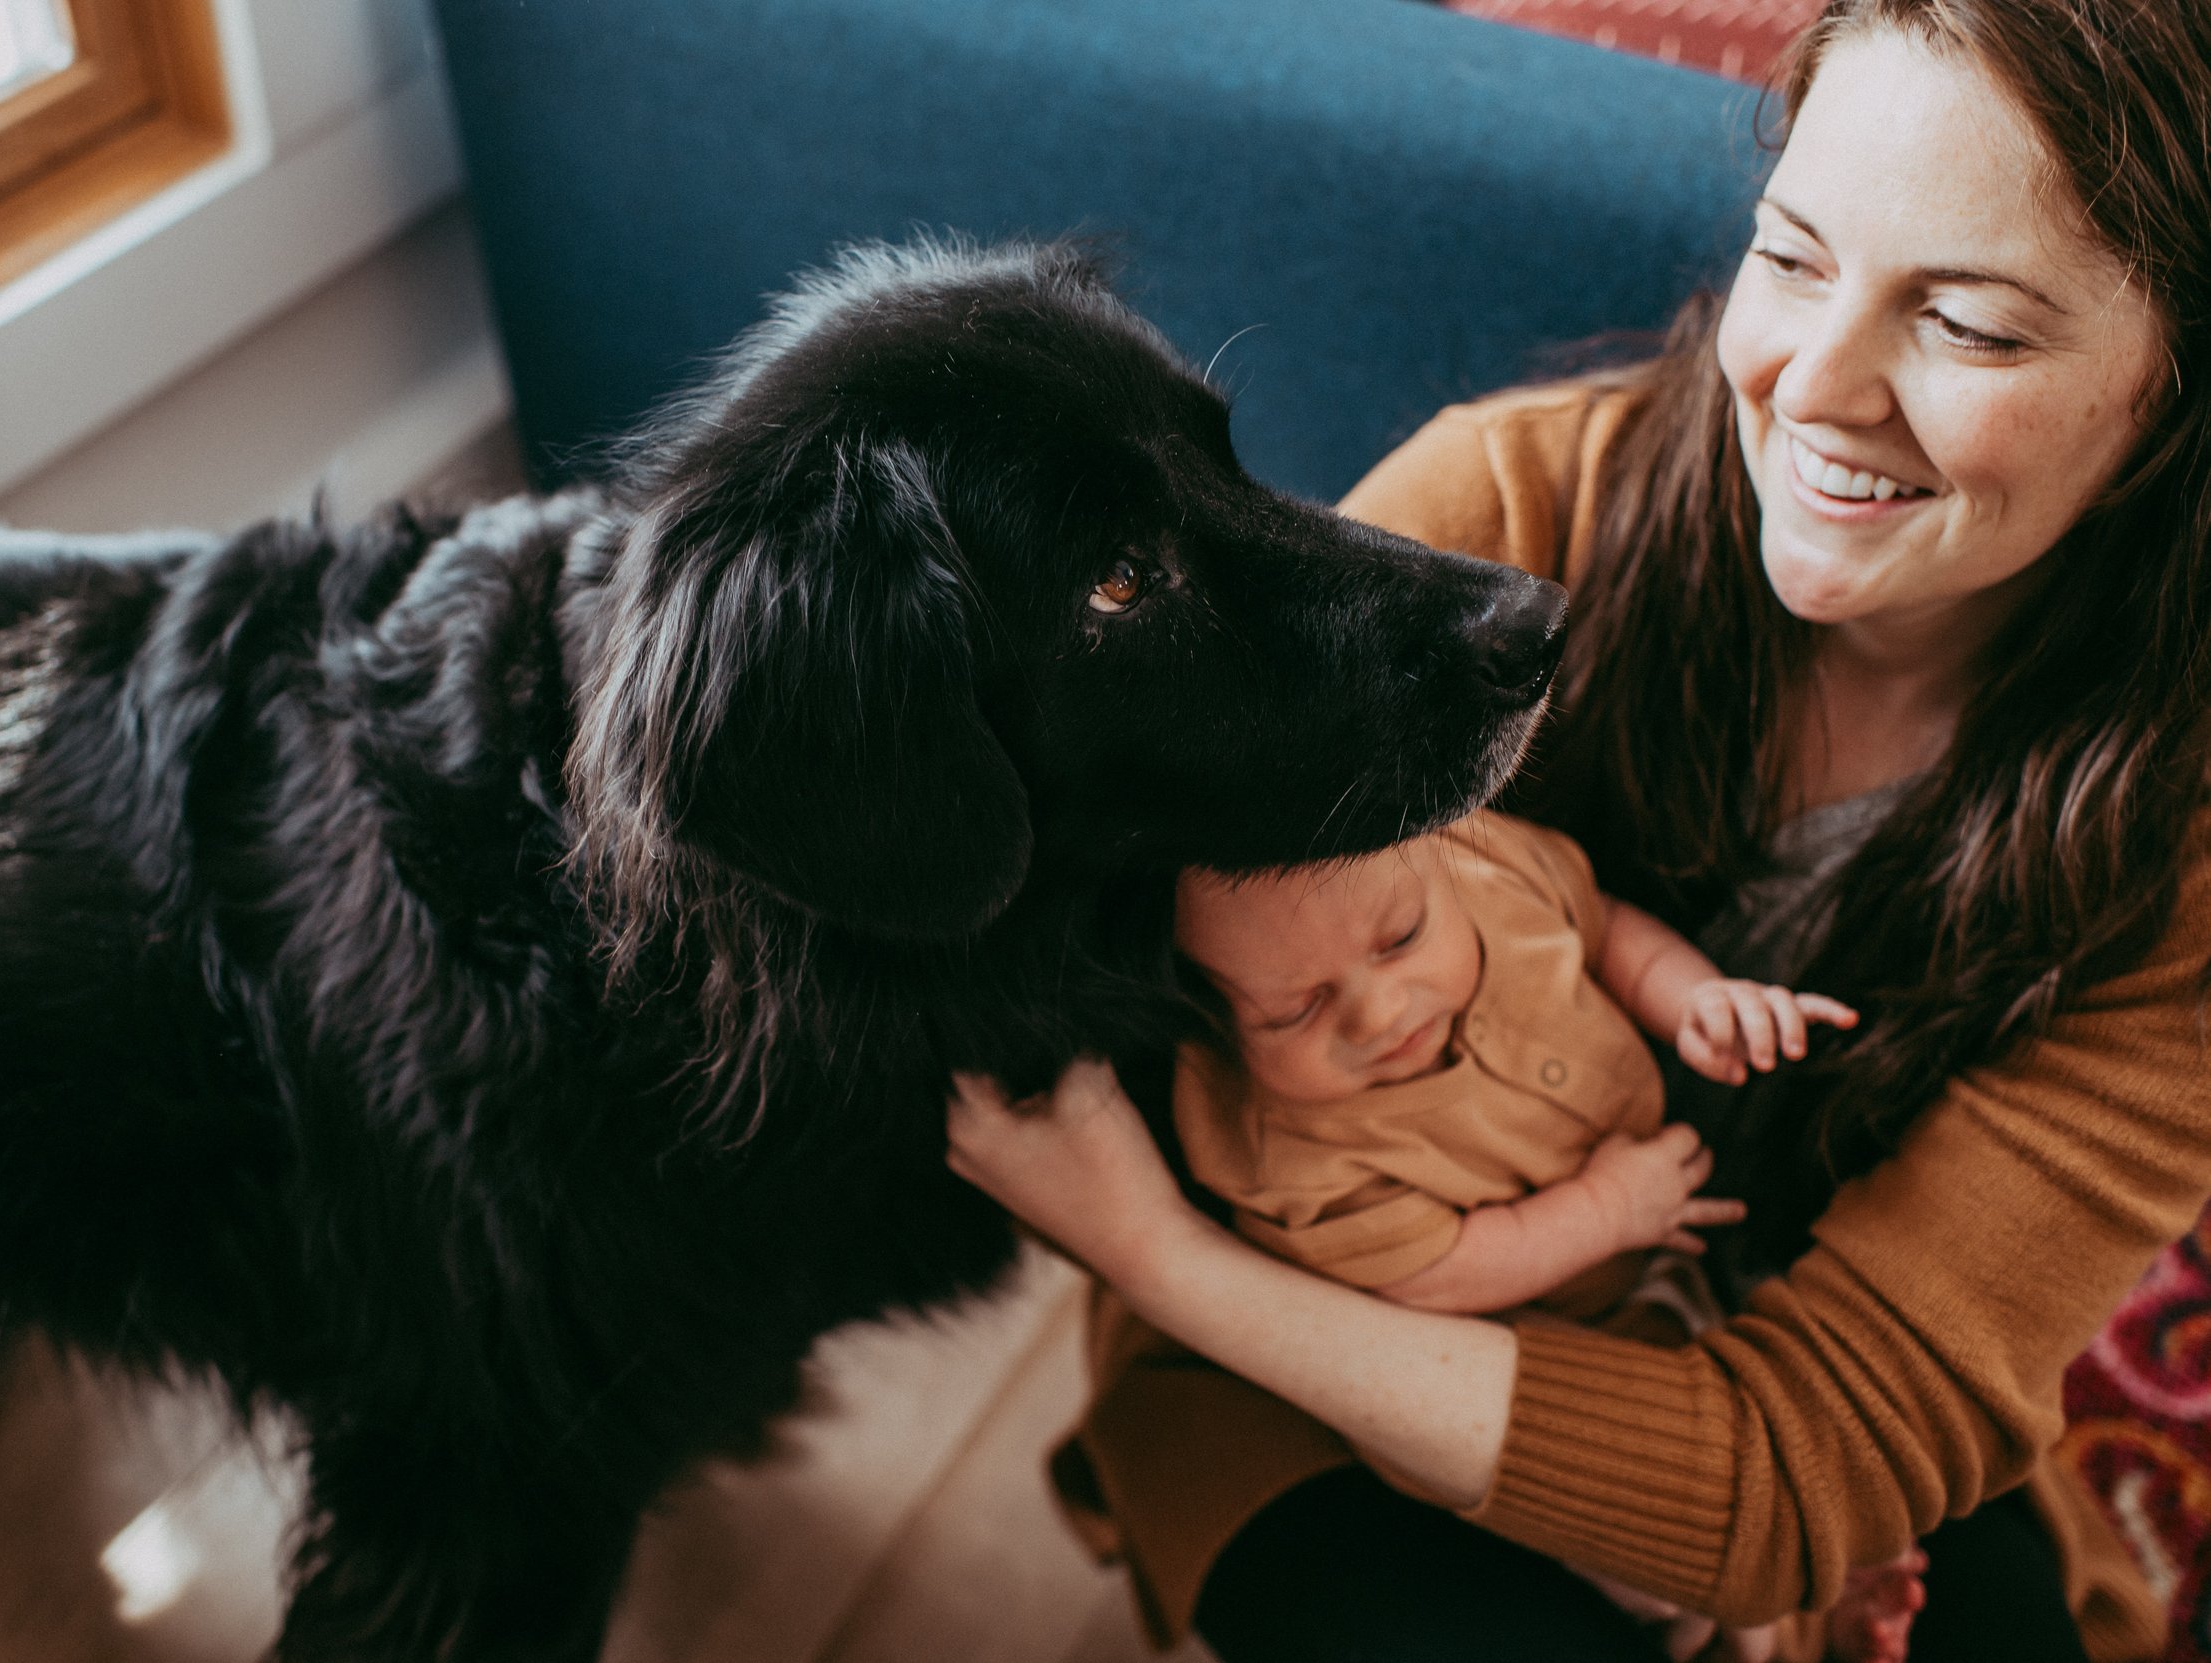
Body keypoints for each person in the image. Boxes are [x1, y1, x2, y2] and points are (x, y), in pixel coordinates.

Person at [946, 0, 2211, 1658]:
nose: (1813, 387)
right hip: (1307, 1335)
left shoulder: (2172, 858)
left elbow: (1818, 1459)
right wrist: (1170, 1266)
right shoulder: (1499, 522)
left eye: (1968, 327)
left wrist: (1761, 1518)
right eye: (1794, 256)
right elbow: (1089, 1039)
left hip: (1776, 1354)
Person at [1168, 813, 1923, 1661]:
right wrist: (1602, 1211)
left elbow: (1601, 927)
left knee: (1747, 1413)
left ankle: (1795, 1597)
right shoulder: (1283, 1152)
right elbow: (1424, 1279)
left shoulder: (1482, 862)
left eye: (1402, 937)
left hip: (1656, 1275)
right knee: (1633, 1513)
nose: (1380, 1010)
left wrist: (1694, 999)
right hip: (1497, 1357)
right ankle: (1748, 1622)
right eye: (1296, 1008)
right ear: (1218, 1034)